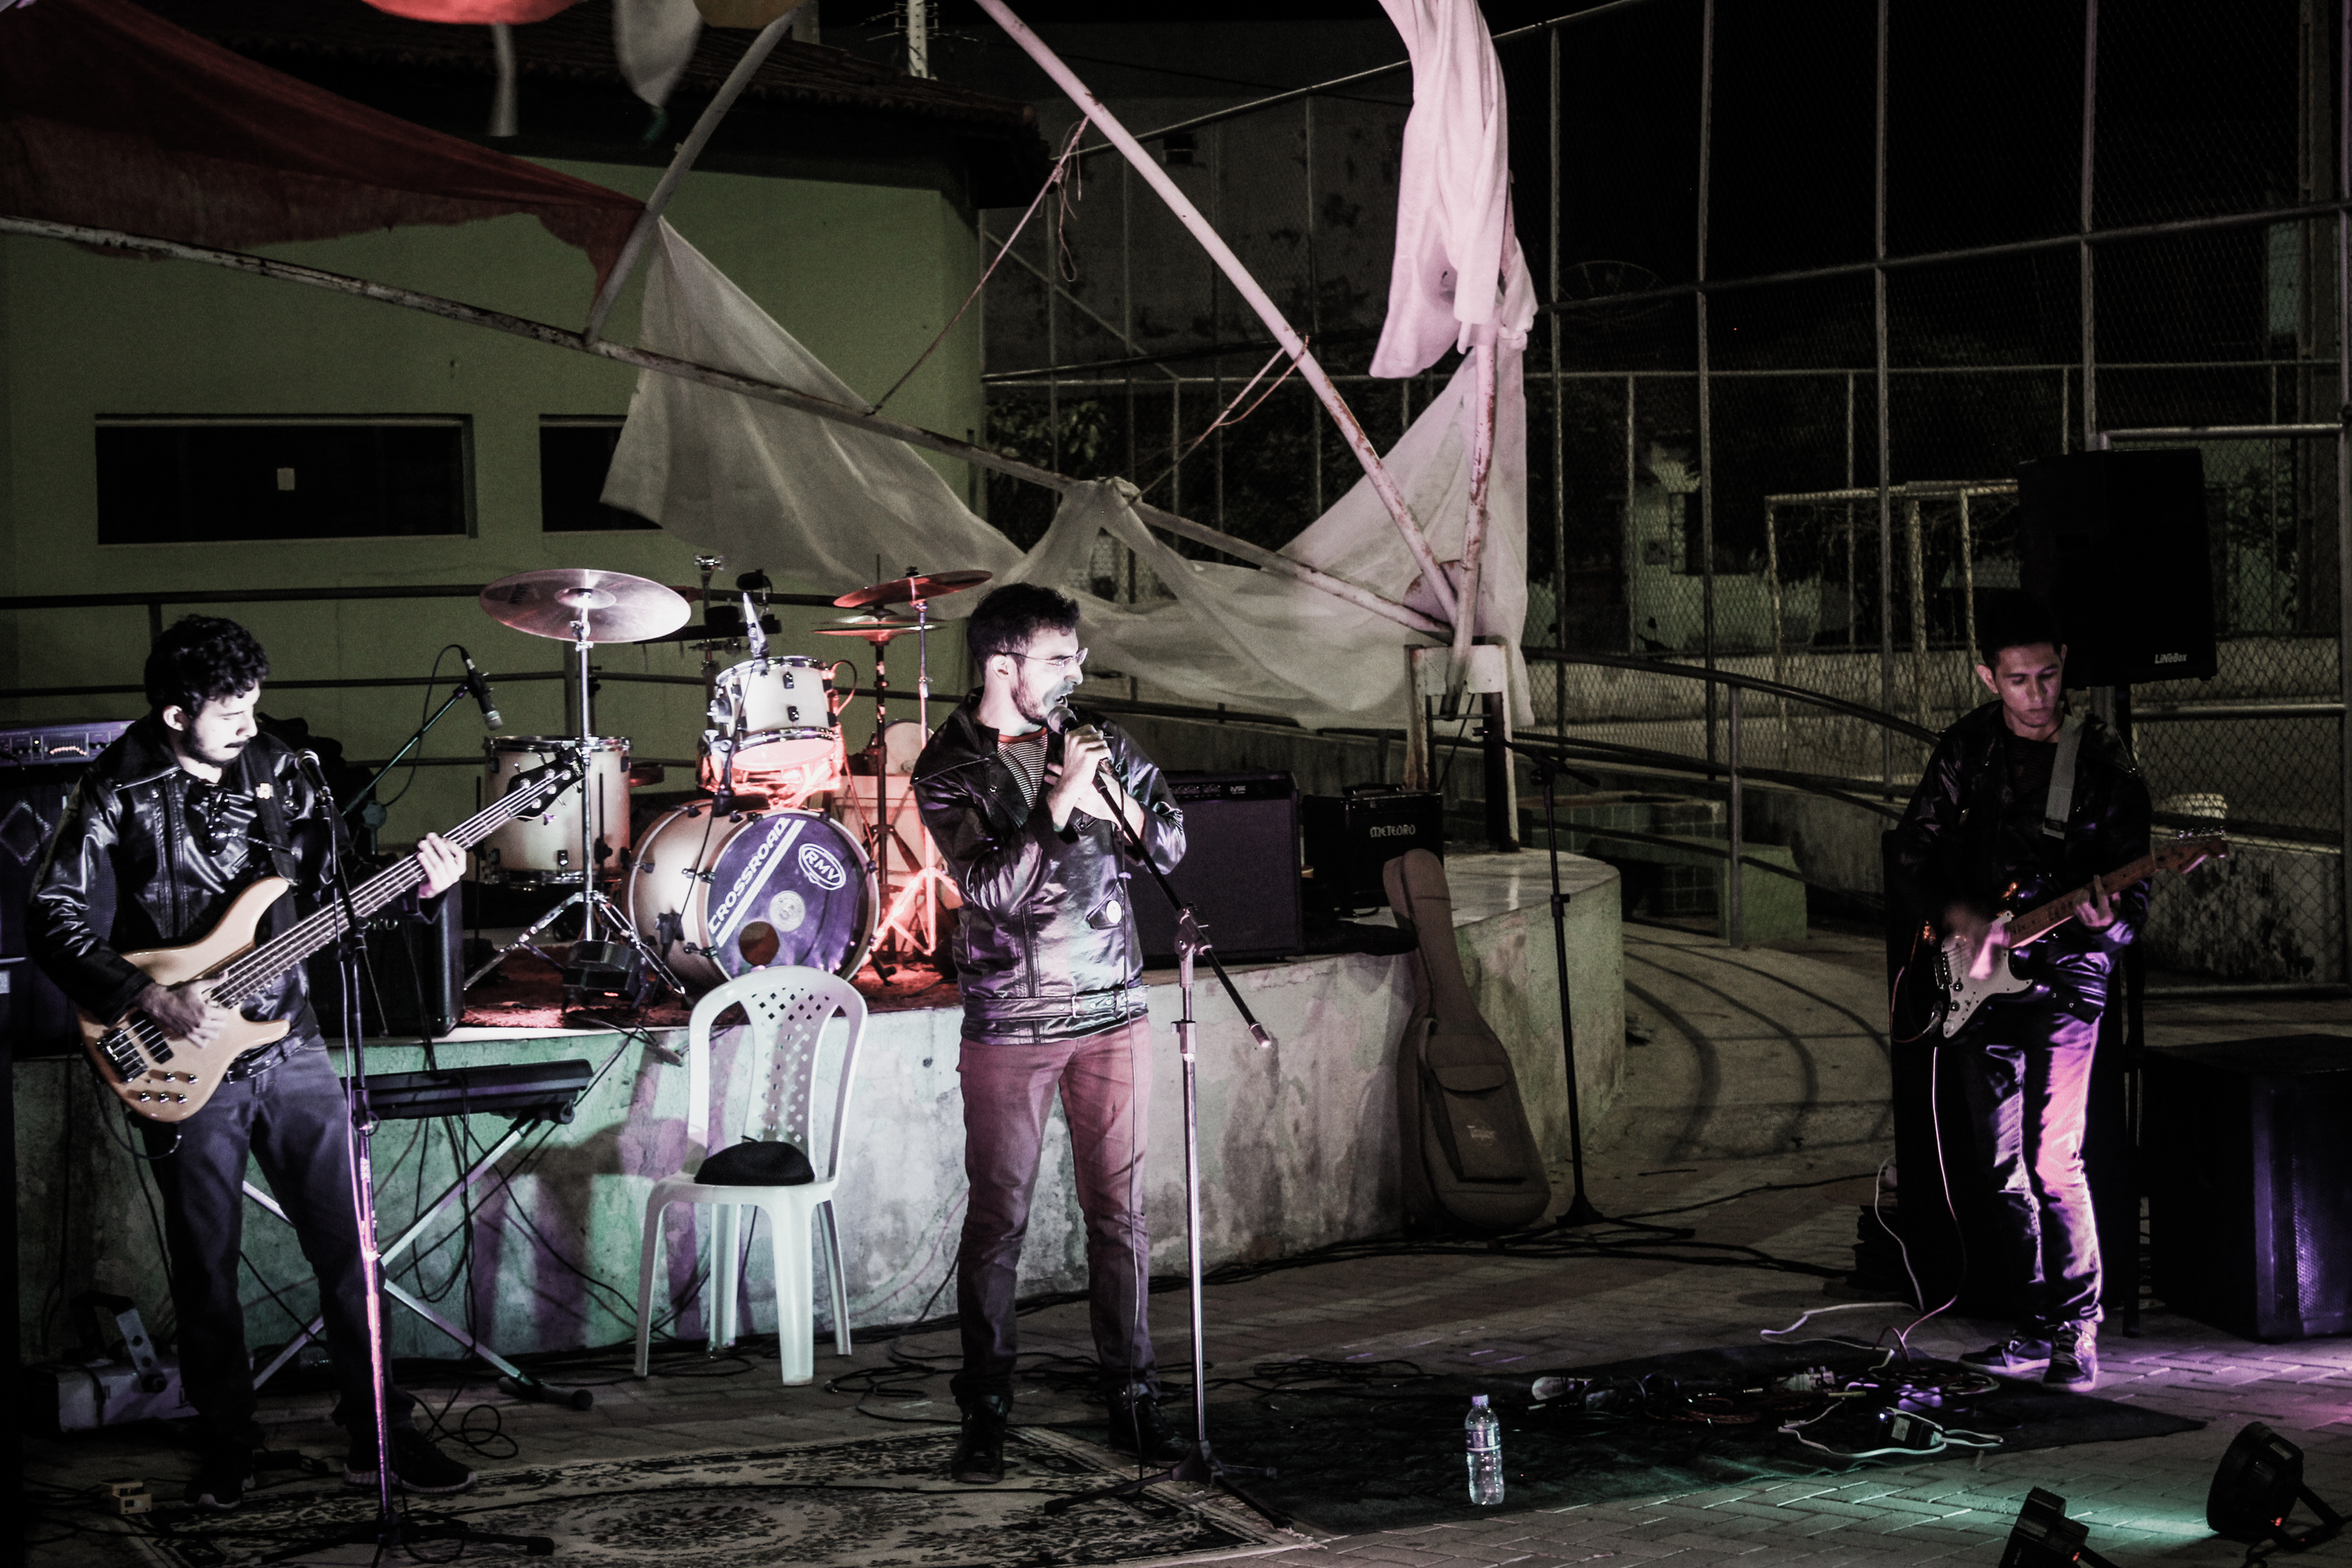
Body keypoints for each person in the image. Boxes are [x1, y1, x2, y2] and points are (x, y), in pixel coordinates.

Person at [29, 616, 474, 1509]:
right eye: (229, 712)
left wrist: (421, 888)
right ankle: (229, 1441)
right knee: (207, 1266)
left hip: (290, 1039)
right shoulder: (116, 785)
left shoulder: (281, 769)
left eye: (254, 705)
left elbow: (339, 890)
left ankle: (377, 1431)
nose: (248, 724)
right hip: (180, 1051)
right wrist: (143, 994)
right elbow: (51, 914)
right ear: (175, 713)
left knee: (351, 1247)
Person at [912, 584, 1188, 1485]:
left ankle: (1134, 1396)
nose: (1076, 673)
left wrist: (1116, 804)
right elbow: (990, 889)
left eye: (1078, 656)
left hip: (1112, 1007)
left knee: (1121, 1215)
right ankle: (986, 1409)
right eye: (1059, 658)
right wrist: (1059, 803)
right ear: (1004, 664)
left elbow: (1171, 844)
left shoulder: (1096, 740)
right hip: (1013, 1019)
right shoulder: (949, 764)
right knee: (1000, 1219)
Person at [1889, 594, 2151, 1392]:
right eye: (2017, 680)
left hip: (2070, 977)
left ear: (2065, 666)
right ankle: (2035, 1322)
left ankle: (2078, 1325)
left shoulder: (2105, 764)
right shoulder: (1966, 749)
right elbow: (1913, 850)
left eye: (2048, 676)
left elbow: (2131, 909)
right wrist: (1960, 916)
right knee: (2000, 1165)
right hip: (1980, 976)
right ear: (1987, 677)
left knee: (2053, 1157)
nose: (2037, 695)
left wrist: (2107, 922)